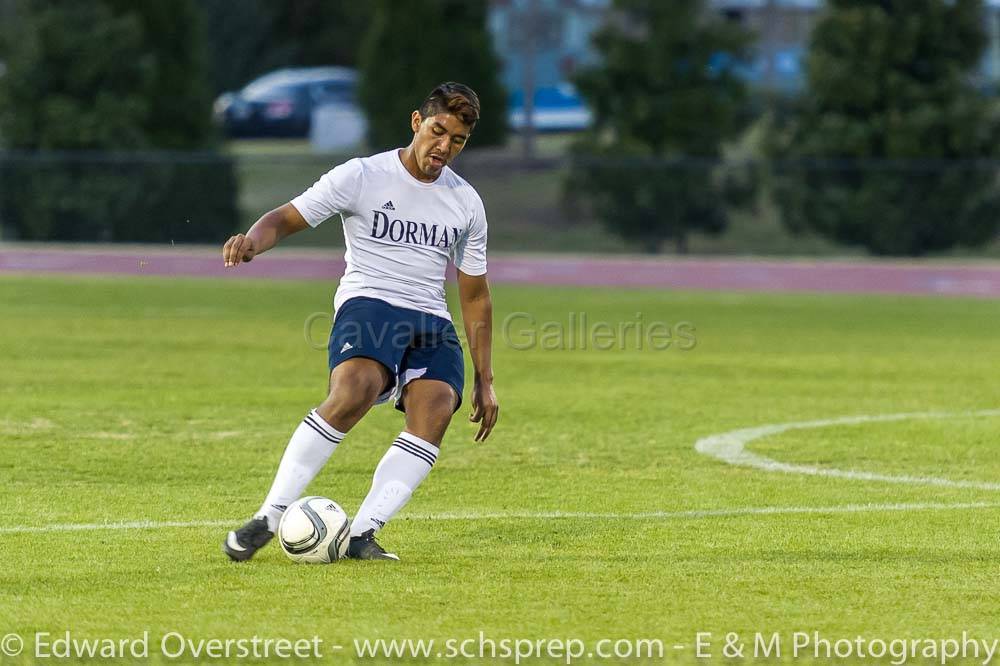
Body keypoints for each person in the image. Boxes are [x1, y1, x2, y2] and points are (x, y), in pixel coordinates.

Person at [220, 82, 498, 561]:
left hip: (430, 317)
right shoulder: (362, 176)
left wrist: (485, 379)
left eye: (458, 141)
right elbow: (287, 217)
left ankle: (361, 535)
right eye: (438, 132)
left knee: (435, 409)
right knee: (354, 390)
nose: (444, 148)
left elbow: (474, 294)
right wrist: (252, 240)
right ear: (417, 122)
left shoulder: (467, 203)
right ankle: (268, 516)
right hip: (370, 302)